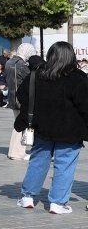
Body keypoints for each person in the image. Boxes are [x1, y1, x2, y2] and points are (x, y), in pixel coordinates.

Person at [14, 41, 88, 214]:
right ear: (71, 57)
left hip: (41, 128)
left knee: (38, 162)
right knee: (65, 165)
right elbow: (85, 107)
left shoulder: (37, 75)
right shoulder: (78, 78)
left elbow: (22, 96)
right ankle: (57, 203)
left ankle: (28, 197)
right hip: (70, 131)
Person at [6, 43, 37, 160]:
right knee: (21, 126)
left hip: (12, 98)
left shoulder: (9, 62)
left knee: (18, 124)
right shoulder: (22, 65)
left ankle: (14, 151)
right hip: (21, 99)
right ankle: (17, 153)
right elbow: (30, 79)